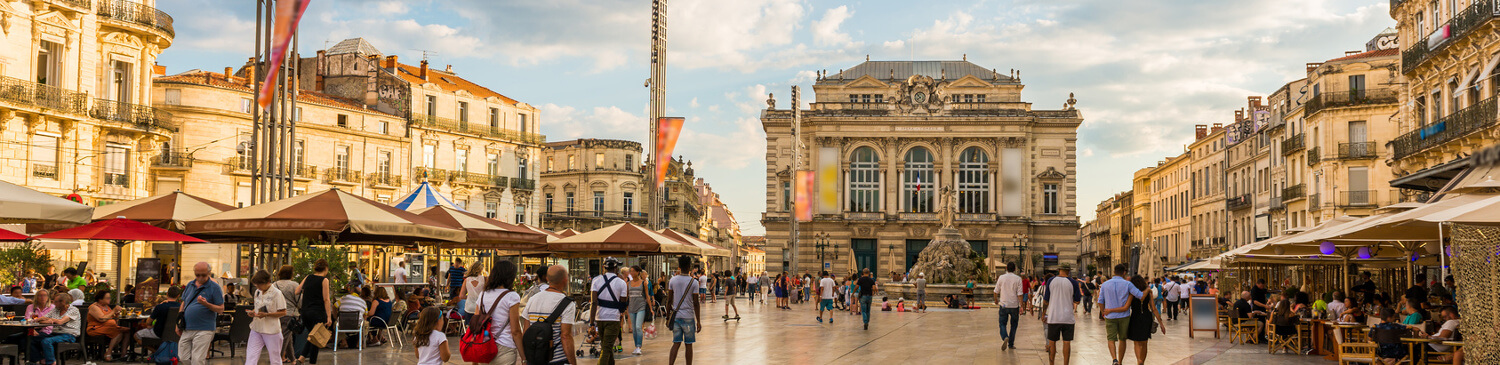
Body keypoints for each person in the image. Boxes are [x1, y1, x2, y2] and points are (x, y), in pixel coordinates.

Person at [523, 265, 578, 365]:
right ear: (565, 280)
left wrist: (526, 359)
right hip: (557, 359)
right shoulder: (568, 304)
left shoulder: (532, 299)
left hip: (535, 359)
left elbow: (526, 331)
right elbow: (565, 336)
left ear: (547, 279)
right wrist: (573, 362)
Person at [473, 259, 523, 365]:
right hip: (505, 347)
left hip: (484, 346)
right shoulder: (512, 296)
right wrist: (524, 357)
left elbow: (475, 324)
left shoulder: (483, 295)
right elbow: (515, 331)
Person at [179, 262, 225, 365]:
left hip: (205, 328)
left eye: (203, 275)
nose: (200, 278)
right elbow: (184, 302)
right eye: (197, 275)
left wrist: (206, 304)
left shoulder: (214, 287)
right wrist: (178, 322)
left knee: (197, 360)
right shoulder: (190, 285)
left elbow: (221, 309)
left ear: (209, 273)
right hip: (187, 327)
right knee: (183, 357)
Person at [1098, 264, 1144, 365]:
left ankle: (1114, 359)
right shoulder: (1128, 284)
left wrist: (1103, 313)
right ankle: (1121, 361)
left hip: (1110, 316)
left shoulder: (1105, 284)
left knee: (1111, 339)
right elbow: (1140, 295)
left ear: (1114, 271)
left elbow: (1100, 301)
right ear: (1124, 272)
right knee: (1122, 339)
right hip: (1124, 316)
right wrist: (1147, 290)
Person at [590, 257, 628, 364]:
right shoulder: (621, 283)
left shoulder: (596, 280)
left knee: (607, 346)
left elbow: (593, 303)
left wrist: (591, 323)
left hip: (599, 318)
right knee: (606, 349)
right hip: (613, 319)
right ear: (616, 269)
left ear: (604, 268)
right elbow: (622, 304)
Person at [294, 259, 333, 365]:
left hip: (305, 312)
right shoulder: (324, 280)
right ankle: (306, 361)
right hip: (317, 313)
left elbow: (297, 291)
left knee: (314, 337)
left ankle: (305, 360)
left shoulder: (308, 277)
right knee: (315, 338)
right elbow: (326, 299)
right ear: (326, 269)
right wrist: (329, 317)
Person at [245, 270, 287, 365]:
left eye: (259, 284)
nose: (257, 287)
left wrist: (267, 314)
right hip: (256, 328)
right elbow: (257, 307)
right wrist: (253, 312)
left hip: (271, 330)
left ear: (267, 282)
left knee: (275, 358)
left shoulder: (277, 293)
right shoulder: (258, 292)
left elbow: (283, 312)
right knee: (251, 356)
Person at [1041, 267, 1081, 365]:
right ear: (1069, 271)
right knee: (1067, 342)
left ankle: (1051, 363)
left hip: (1053, 317)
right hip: (1068, 318)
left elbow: (1046, 300)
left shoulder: (1051, 280)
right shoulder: (1073, 282)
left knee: (1052, 342)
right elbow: (1077, 301)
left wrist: (1043, 313)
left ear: (1059, 270)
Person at [666, 256, 701, 365]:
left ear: (679, 267)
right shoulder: (694, 282)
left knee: (676, 343)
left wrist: (668, 317)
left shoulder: (673, 280)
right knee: (688, 344)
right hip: (688, 317)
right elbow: (696, 303)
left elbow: (669, 301)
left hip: (676, 317)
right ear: (689, 266)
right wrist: (698, 321)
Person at [30, 291, 79, 365]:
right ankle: (39, 360)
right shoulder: (56, 309)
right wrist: (38, 320)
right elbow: (43, 318)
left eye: (55, 302)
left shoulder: (73, 310)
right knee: (31, 339)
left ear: (63, 302)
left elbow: (60, 322)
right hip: (55, 334)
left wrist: (50, 320)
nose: (53, 303)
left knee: (46, 341)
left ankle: (51, 362)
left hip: (69, 335)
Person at [86, 290, 129, 360]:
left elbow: (111, 319)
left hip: (108, 328)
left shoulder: (106, 307)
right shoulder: (94, 307)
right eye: (107, 298)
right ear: (100, 299)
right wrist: (113, 311)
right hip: (95, 328)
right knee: (118, 332)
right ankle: (108, 353)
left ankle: (123, 354)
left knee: (127, 330)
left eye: (109, 298)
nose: (109, 299)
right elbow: (102, 319)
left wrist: (116, 315)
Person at [272, 265, 301, 361]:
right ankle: (277, 359)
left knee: (288, 337)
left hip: (277, 314)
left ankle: (293, 360)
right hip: (290, 314)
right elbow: (300, 301)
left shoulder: (274, 285)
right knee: (284, 337)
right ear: (291, 274)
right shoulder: (294, 285)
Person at [993, 262, 1023, 349]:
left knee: (1002, 323)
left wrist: (996, 299)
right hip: (1014, 306)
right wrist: (1021, 306)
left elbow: (996, 291)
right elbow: (1020, 294)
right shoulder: (1018, 279)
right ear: (1014, 269)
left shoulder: (1001, 278)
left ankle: (1005, 336)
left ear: (1006, 268)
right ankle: (1011, 344)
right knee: (1014, 325)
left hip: (1004, 305)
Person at [625, 265, 654, 356]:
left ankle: (638, 346)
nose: (632, 273)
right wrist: (623, 307)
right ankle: (636, 346)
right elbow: (626, 297)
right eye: (631, 271)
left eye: (633, 271)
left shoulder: (643, 283)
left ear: (638, 272)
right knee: (634, 328)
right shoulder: (628, 284)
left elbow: (647, 296)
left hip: (641, 307)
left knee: (638, 327)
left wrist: (650, 308)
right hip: (631, 307)